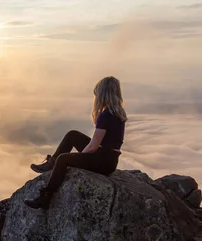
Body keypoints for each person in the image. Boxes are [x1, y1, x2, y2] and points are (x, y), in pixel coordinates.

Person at [24, 76, 127, 210]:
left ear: (102, 95)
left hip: (102, 161)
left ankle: (45, 197)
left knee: (63, 159)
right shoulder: (118, 112)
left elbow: (93, 146)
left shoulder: (106, 115)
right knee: (73, 135)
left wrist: (79, 159)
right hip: (110, 161)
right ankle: (51, 164)